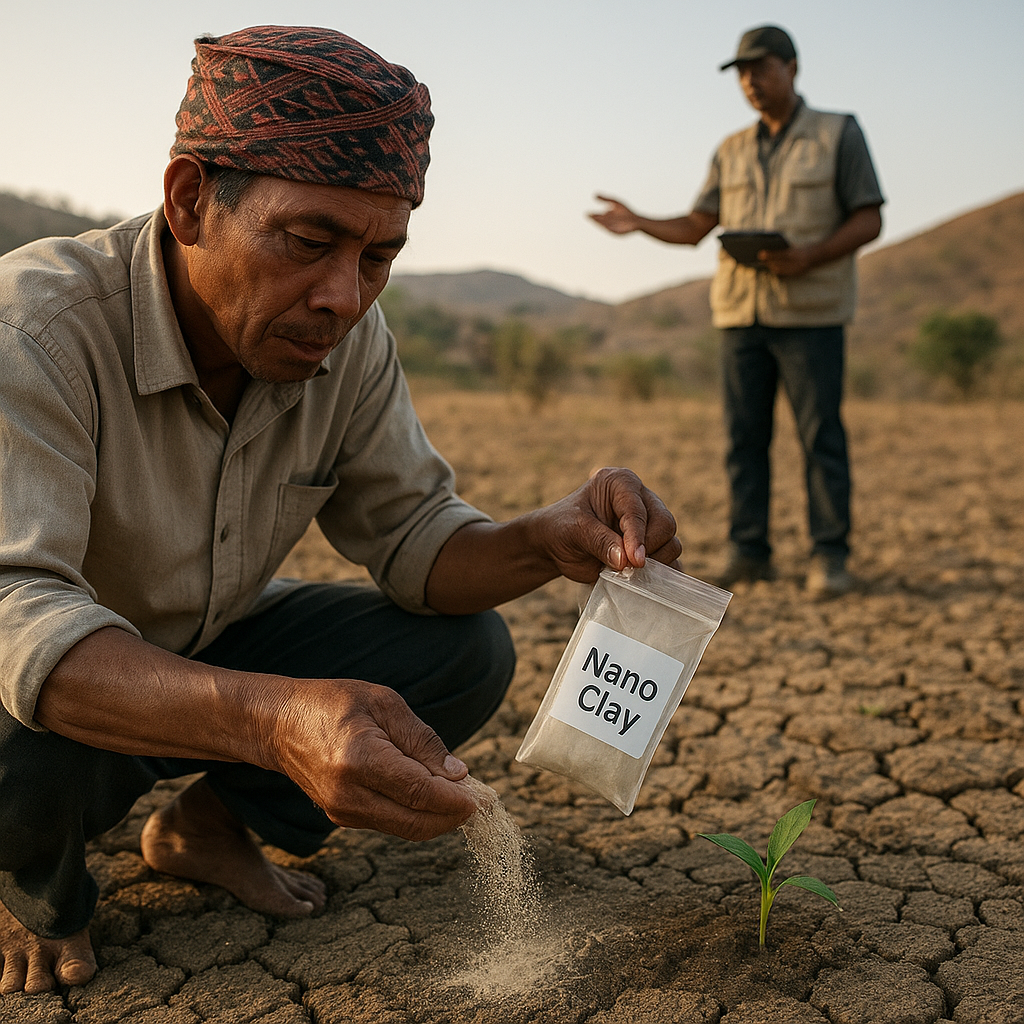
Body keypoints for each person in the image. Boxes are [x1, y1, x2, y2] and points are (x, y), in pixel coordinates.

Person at [0, 26, 681, 994]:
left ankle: (207, 828)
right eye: (309, 241)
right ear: (189, 200)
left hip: (187, 658)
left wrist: (543, 538)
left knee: (461, 651)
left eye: (379, 256)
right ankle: (22, 883)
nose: (343, 297)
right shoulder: (34, 331)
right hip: (49, 694)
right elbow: (17, 619)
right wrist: (272, 721)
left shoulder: (342, 339)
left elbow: (416, 540)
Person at [590, 25, 883, 598]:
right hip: (740, 318)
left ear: (792, 68)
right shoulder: (731, 149)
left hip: (811, 315)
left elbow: (869, 217)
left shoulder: (838, 133)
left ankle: (830, 556)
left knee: (821, 437)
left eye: (762, 68)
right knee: (743, 440)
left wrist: (808, 257)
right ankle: (749, 553)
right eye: (742, 72)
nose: (751, 81)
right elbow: (697, 226)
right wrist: (640, 221)